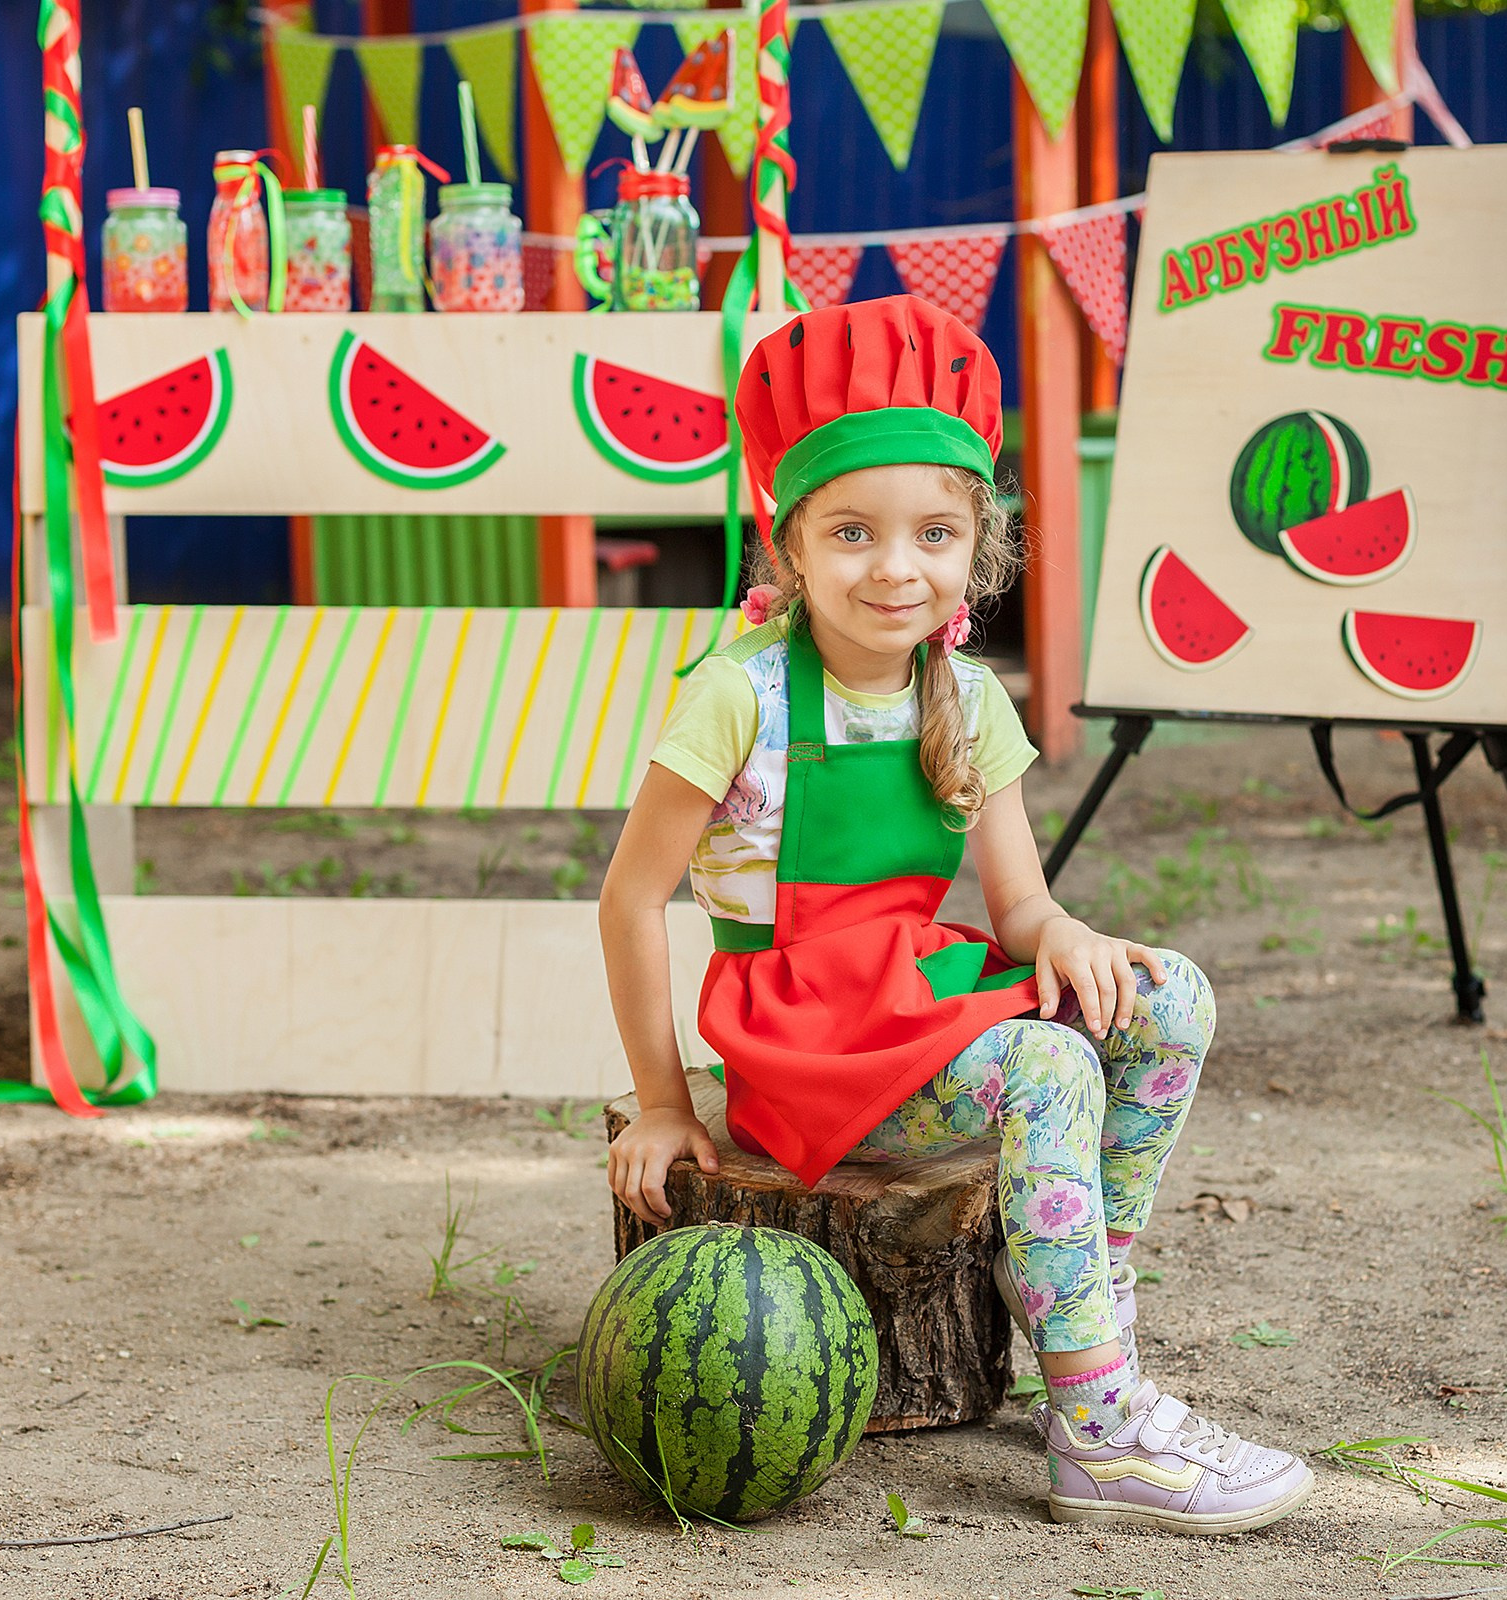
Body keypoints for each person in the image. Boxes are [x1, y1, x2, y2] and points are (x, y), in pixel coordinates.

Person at [598, 296, 1314, 1534]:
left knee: (1171, 995)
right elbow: (629, 898)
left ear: (974, 544)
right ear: (791, 547)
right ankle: (1101, 1433)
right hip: (800, 1040)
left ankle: (1089, 1320)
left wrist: (1072, 938)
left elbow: (1021, 904)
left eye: (934, 532)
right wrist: (665, 1099)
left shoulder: (968, 697)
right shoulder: (739, 696)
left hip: (913, 996)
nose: (895, 567)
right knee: (1047, 1068)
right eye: (853, 532)